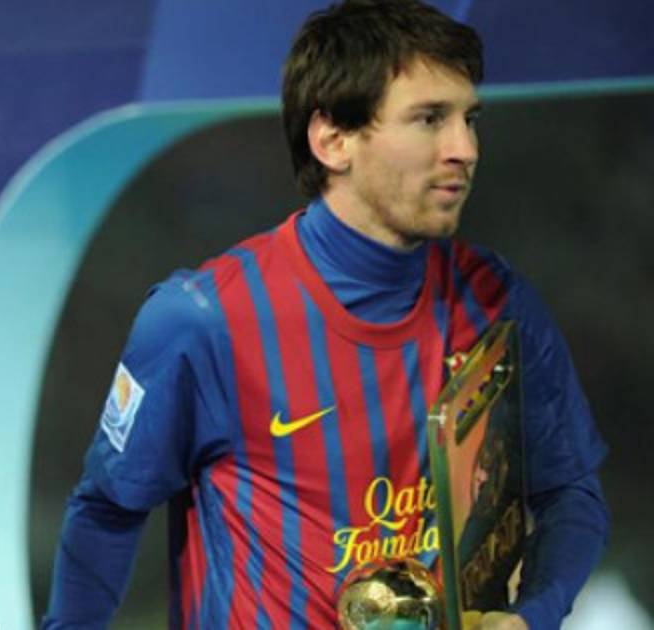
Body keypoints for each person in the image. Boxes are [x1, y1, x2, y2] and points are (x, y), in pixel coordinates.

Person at [42, 1, 608, 628]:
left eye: (469, 119)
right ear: (333, 140)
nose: (465, 148)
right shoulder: (203, 319)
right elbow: (106, 511)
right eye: (429, 119)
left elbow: (570, 493)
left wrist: (533, 616)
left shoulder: (497, 299)